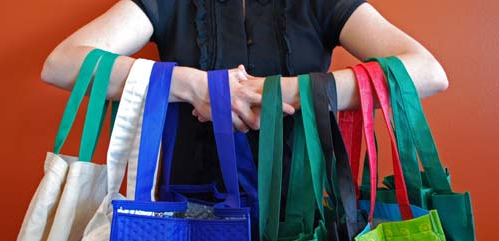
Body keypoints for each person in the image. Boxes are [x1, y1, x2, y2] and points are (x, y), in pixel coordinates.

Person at [40, 0, 448, 187]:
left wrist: (289, 91)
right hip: (183, 220)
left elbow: (427, 72)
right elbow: (61, 65)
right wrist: (193, 85)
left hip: (306, 226)